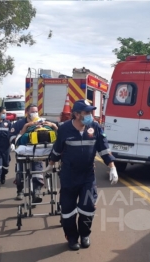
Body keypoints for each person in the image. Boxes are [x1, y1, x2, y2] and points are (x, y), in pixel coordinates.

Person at [43, 99, 118, 251]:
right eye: (87, 112)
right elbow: (58, 148)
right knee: (68, 209)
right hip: (69, 175)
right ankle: (71, 237)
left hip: (87, 176)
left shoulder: (95, 127)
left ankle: (84, 234)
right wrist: (51, 164)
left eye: (91, 112)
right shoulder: (64, 129)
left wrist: (112, 167)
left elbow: (104, 148)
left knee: (88, 207)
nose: (90, 115)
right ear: (77, 114)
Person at [10, 104, 58, 201]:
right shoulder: (19, 124)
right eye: (32, 111)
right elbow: (13, 138)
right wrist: (25, 127)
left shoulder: (43, 122)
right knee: (20, 172)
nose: (35, 113)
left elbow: (56, 134)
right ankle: (20, 191)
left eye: (36, 111)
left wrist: (53, 126)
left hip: (37, 152)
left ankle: (36, 192)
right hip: (23, 153)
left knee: (37, 172)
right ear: (27, 112)